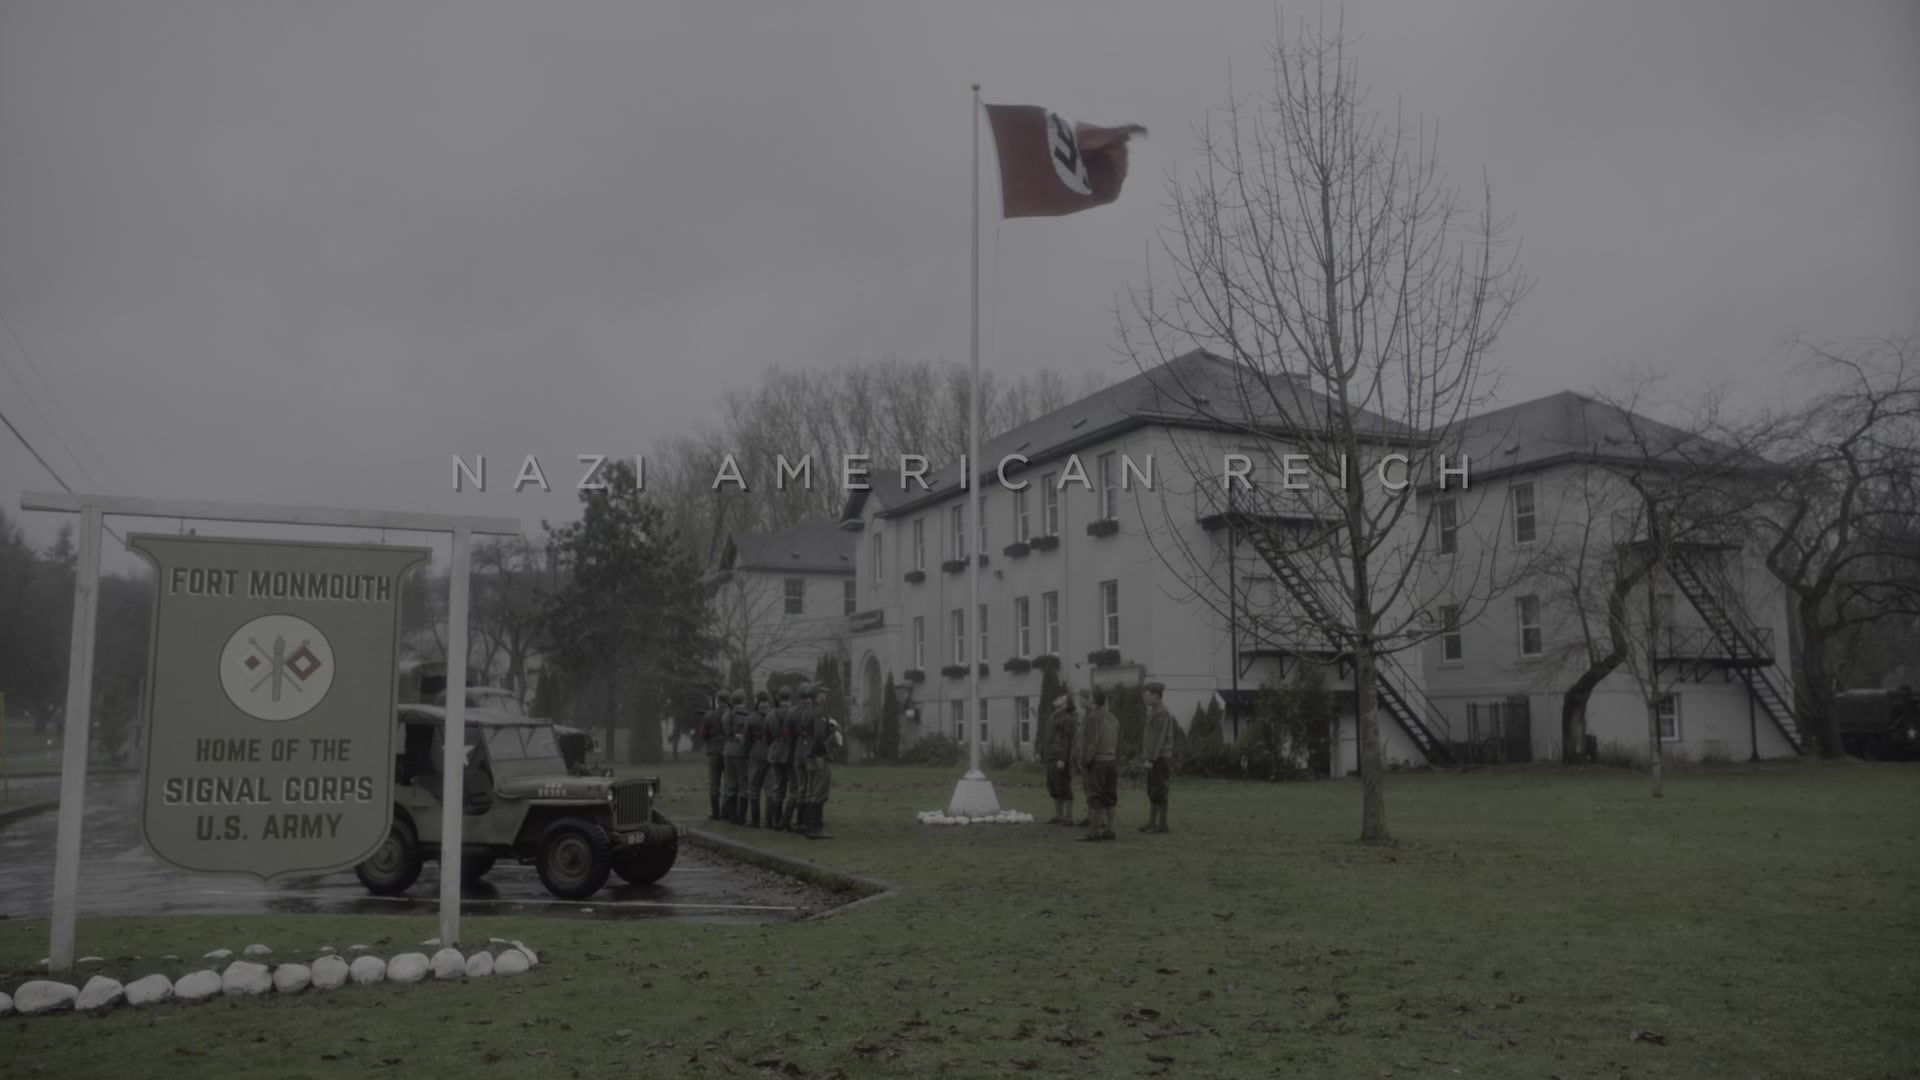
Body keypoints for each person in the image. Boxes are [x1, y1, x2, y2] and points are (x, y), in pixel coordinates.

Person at [1074, 686, 1118, 842]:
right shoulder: (1113, 718)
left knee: (1095, 797)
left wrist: (1084, 761)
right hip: (1111, 761)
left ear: (1093, 699)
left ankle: (1094, 832)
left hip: (1098, 763)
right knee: (1110, 797)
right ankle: (1110, 830)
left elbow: (1092, 743)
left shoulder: (1093, 717)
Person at [800, 683, 835, 839]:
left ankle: (808, 825)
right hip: (818, 756)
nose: (825, 695)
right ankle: (816, 828)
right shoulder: (820, 712)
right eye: (823, 693)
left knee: (811, 791)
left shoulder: (807, 712)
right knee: (819, 792)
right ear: (817, 696)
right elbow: (819, 735)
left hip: (809, 754)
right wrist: (823, 750)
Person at [1139, 681, 1174, 834]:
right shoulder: (1154, 711)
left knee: (1160, 790)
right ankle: (1152, 822)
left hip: (1159, 757)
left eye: (1147, 696)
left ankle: (1162, 825)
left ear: (1156, 695)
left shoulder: (1161, 713)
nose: (1145, 699)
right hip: (1154, 757)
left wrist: (1151, 759)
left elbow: (1159, 739)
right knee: (1153, 790)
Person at [1041, 693, 1078, 825]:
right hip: (1051, 756)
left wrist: (1063, 758)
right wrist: (1041, 751)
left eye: (1061, 698)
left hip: (1059, 756)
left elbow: (1068, 740)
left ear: (1066, 705)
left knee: (1064, 786)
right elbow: (1047, 737)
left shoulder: (1067, 719)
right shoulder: (1053, 716)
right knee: (1053, 787)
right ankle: (1059, 816)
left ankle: (1069, 818)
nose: (1057, 698)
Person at [763, 686, 795, 831]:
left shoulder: (770, 715)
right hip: (790, 753)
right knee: (794, 788)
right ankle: (786, 819)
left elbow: (766, 737)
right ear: (791, 697)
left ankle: (776, 819)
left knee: (777, 787)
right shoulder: (794, 713)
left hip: (775, 752)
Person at [783, 683, 813, 832]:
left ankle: (796, 821)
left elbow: (788, 735)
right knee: (810, 788)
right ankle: (806, 821)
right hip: (812, 751)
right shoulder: (815, 711)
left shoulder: (792, 713)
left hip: (798, 750)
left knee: (800, 787)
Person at [696, 691, 728, 821]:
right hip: (728, 750)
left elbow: (703, 734)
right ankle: (727, 811)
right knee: (729, 783)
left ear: (718, 700)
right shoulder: (732, 714)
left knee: (714, 783)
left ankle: (715, 813)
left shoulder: (709, 715)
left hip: (714, 750)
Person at [721, 688, 749, 824]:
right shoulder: (744, 714)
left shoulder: (726, 715)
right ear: (744, 700)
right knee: (743, 784)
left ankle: (729, 814)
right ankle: (740, 816)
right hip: (740, 749)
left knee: (730, 783)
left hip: (728, 748)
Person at [744, 691, 772, 828]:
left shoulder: (751, 718)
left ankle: (755, 820)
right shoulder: (773, 716)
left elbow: (746, 738)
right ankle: (769, 820)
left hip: (755, 753)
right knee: (770, 788)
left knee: (754, 788)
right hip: (771, 753)